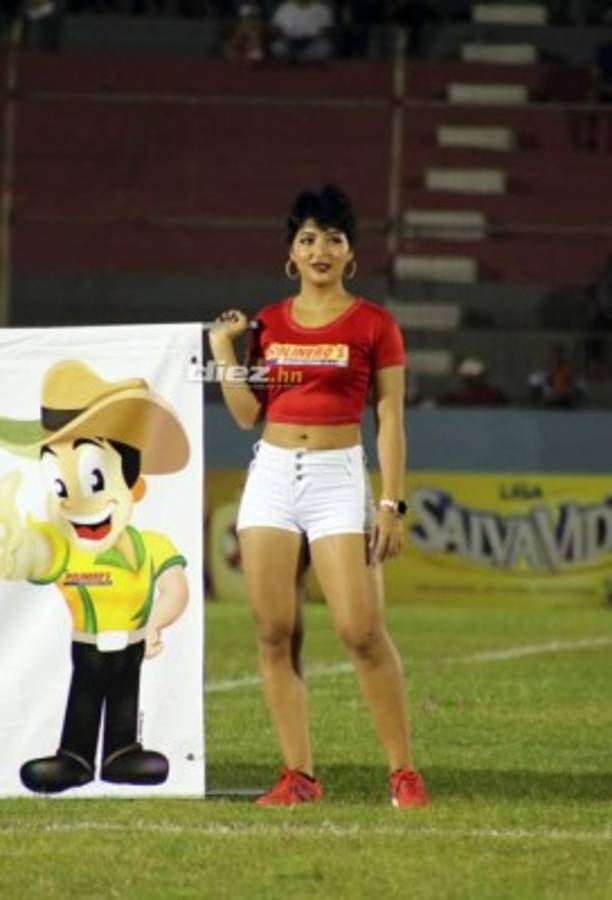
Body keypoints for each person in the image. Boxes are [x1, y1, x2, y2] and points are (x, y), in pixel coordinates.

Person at [208, 184, 429, 808]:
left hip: (338, 478)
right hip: (273, 478)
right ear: (292, 254)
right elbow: (247, 415)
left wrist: (391, 503)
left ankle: (403, 773)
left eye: (333, 238)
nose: (320, 250)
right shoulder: (268, 323)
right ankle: (298, 777)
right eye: (308, 239)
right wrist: (223, 350)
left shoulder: (375, 324)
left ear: (351, 253)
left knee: (361, 632)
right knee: (274, 632)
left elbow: (390, 418)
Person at [269, 0, 334, 62]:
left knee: (324, 47)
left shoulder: (321, 9)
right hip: (289, 42)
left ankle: (300, 60)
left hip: (312, 43)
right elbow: (275, 29)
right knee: (277, 47)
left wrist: (315, 35)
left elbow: (328, 30)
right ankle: (296, 59)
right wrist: (282, 34)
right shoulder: (284, 8)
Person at [440, 357, 509, 407]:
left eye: (477, 377)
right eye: (469, 378)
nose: (474, 380)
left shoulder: (496, 397)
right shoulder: (454, 398)